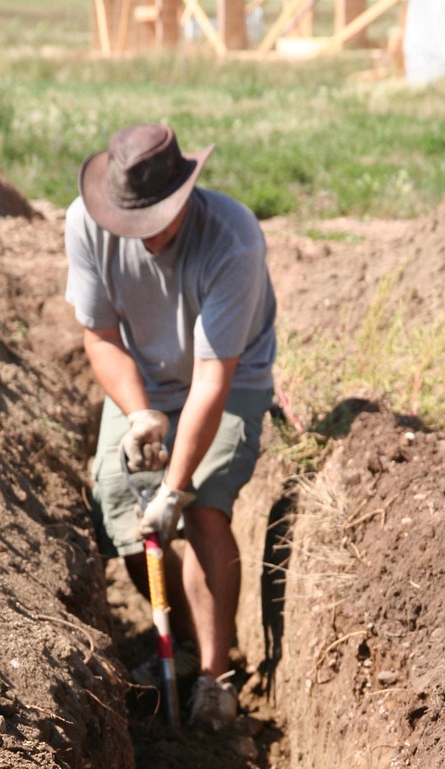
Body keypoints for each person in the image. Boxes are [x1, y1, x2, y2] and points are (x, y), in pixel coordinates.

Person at [64, 122, 277, 731]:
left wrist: (176, 488)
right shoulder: (85, 224)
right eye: (134, 224)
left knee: (204, 505)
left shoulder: (231, 240)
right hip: (147, 384)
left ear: (185, 195)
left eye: (159, 220)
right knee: (118, 499)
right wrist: (138, 413)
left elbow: (212, 380)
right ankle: (181, 639)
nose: (146, 238)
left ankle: (216, 675)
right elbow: (100, 337)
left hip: (231, 381)